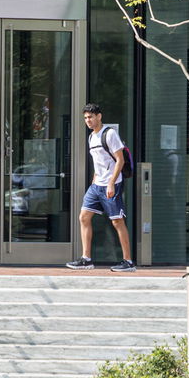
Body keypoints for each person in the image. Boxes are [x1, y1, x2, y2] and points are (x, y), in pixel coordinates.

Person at [67, 104, 134, 272]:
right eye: (85, 118)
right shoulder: (91, 137)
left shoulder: (109, 134)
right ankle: (86, 259)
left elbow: (120, 160)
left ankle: (128, 262)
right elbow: (99, 162)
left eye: (90, 117)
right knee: (83, 217)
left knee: (117, 221)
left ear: (99, 116)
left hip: (112, 183)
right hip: (97, 185)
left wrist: (111, 183)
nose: (88, 120)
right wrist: (94, 181)